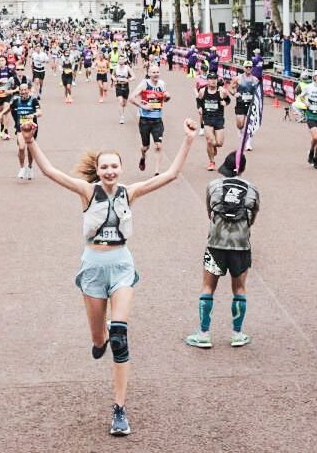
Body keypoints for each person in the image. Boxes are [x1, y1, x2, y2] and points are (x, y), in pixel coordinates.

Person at [20, 116, 198, 436]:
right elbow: (50, 172)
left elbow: (171, 174)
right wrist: (31, 140)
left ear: (121, 167)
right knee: (99, 340)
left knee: (119, 335)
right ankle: (98, 338)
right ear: (98, 170)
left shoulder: (130, 193)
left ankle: (119, 409)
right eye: (104, 167)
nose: (110, 172)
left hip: (121, 266)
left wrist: (187, 140)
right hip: (92, 268)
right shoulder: (87, 192)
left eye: (114, 166)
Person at [185, 152, 260, 349]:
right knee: (239, 289)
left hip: (216, 244)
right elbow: (252, 218)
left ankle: (203, 333)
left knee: (208, 288)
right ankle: (237, 334)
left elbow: (210, 213)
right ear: (242, 169)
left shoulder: (214, 186)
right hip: (241, 246)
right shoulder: (252, 189)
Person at [129, 64, 171, 173]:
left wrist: (167, 97)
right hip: (145, 120)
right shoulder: (144, 84)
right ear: (149, 74)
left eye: (157, 72)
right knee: (145, 146)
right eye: (153, 72)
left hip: (157, 120)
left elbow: (164, 100)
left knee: (158, 145)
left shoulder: (162, 84)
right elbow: (131, 98)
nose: (156, 74)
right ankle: (143, 157)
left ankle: (156, 172)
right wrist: (143, 106)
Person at [5, 82, 42, 180]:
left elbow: (40, 112)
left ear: (28, 90)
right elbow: (9, 108)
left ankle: (29, 167)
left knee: (30, 149)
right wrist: (1, 114)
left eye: (25, 90)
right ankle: (22, 168)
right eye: (22, 90)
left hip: (31, 128)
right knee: (21, 148)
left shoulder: (33, 100)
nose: (24, 92)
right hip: (20, 127)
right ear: (19, 91)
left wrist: (33, 115)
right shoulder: (16, 100)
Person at [196, 74, 232, 171]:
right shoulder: (203, 91)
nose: (213, 81)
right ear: (207, 81)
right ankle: (212, 162)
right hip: (207, 118)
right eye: (211, 79)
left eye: (215, 79)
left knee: (219, 143)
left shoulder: (222, 91)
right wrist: (199, 108)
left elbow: (228, 100)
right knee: (210, 141)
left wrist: (225, 103)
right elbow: (198, 101)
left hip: (219, 119)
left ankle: (213, 147)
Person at [232, 70, 261, 151]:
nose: (248, 68)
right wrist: (234, 93)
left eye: (250, 67)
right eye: (246, 67)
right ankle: (241, 136)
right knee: (240, 124)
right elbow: (231, 88)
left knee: (250, 124)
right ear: (244, 68)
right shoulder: (238, 78)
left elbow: (259, 91)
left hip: (251, 105)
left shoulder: (255, 79)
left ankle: (248, 142)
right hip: (241, 103)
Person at [112, 57, 135, 125]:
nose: (121, 60)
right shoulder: (115, 68)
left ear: (124, 60)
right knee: (120, 101)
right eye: (120, 59)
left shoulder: (127, 68)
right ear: (118, 60)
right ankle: (122, 117)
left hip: (125, 86)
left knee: (124, 103)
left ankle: (122, 109)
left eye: (122, 59)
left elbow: (133, 76)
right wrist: (114, 79)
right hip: (118, 86)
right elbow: (112, 75)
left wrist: (129, 80)